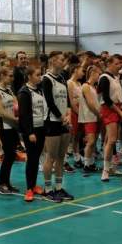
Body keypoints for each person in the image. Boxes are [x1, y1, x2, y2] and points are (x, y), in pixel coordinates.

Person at [41, 51, 74, 203]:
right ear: (53, 61)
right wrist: (61, 118)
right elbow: (50, 102)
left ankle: (59, 188)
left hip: (64, 122)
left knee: (61, 157)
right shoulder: (46, 79)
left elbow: (67, 100)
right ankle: (48, 190)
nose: (63, 62)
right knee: (51, 157)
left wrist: (68, 115)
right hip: (52, 122)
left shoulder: (62, 78)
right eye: (61, 59)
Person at [18, 65, 48, 202]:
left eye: (40, 74)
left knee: (36, 158)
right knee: (31, 159)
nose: (40, 77)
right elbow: (24, 115)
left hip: (41, 128)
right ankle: (29, 188)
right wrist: (29, 132)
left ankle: (34, 185)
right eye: (37, 75)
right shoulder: (24, 92)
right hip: (31, 130)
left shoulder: (40, 90)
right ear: (29, 76)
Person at [98, 55, 122, 181]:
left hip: (117, 108)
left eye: (120, 63)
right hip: (109, 109)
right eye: (116, 63)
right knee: (112, 140)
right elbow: (106, 99)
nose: (119, 66)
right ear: (109, 64)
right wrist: (119, 111)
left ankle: (109, 167)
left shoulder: (116, 77)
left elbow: (120, 96)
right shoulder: (104, 78)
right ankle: (105, 170)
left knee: (108, 140)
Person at [0, 66, 20, 194]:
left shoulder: (9, 90)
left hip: (12, 126)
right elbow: (1, 112)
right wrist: (16, 119)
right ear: (2, 76)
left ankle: (7, 183)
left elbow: (16, 105)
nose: (12, 78)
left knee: (12, 155)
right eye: (10, 76)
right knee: (8, 155)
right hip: (3, 127)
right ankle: (2, 184)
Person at [79, 65, 102, 174]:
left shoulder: (94, 87)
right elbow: (90, 103)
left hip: (96, 117)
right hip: (89, 117)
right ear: (93, 73)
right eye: (98, 74)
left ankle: (91, 163)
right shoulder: (85, 86)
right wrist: (98, 113)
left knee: (94, 141)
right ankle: (86, 165)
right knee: (91, 141)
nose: (99, 76)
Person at [67, 63, 84, 168]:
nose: (83, 73)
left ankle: (77, 155)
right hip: (75, 112)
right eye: (81, 71)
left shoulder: (79, 83)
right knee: (72, 136)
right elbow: (71, 102)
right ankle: (74, 157)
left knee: (78, 136)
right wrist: (78, 113)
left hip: (81, 111)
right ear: (75, 70)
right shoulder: (70, 83)